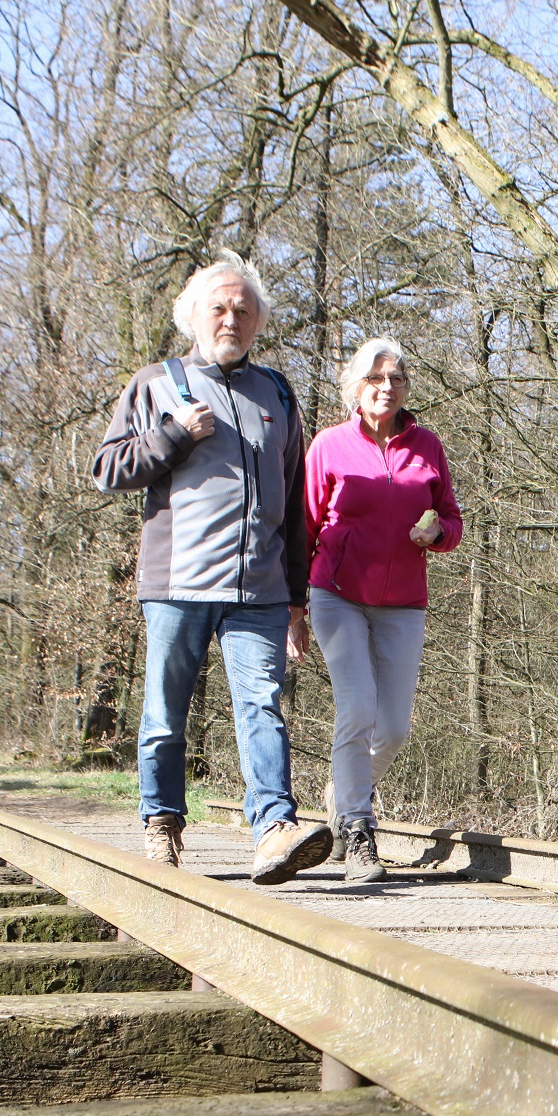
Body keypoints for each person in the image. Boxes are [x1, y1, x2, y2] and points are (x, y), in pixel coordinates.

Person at [90, 251, 334, 885]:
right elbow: (106, 469)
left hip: (261, 586)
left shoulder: (276, 391)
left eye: (244, 310)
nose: (232, 318)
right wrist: (172, 435)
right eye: (219, 308)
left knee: (264, 705)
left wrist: (298, 598)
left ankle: (274, 829)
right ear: (194, 317)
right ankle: (163, 822)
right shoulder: (155, 384)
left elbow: (293, 499)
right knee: (166, 712)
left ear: (258, 323)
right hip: (177, 582)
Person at [301, 337, 461, 884]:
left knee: (392, 728)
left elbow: (451, 520)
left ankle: (343, 792)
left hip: (403, 603)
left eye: (396, 378)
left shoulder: (427, 446)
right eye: (375, 379)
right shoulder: (329, 445)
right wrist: (292, 610)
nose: (386, 388)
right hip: (337, 594)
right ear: (355, 387)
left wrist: (438, 532)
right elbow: (304, 526)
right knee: (359, 708)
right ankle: (357, 829)